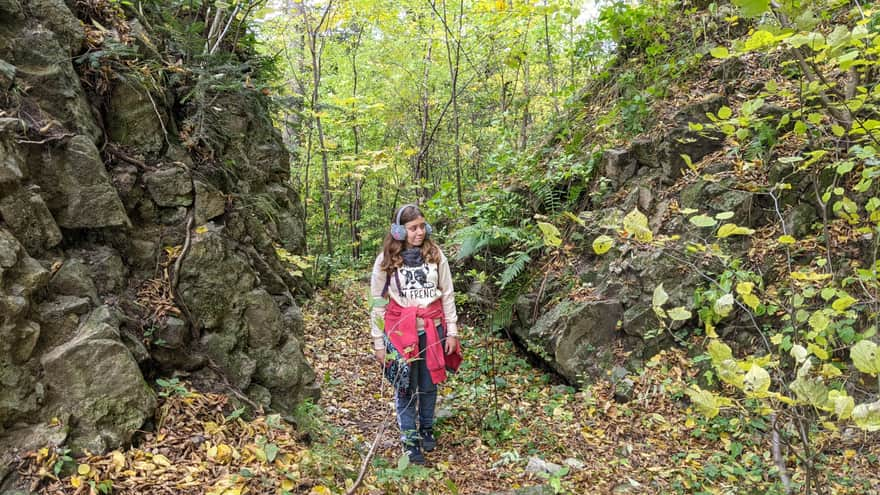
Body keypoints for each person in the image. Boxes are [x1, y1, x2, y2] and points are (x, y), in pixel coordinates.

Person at [370, 203, 461, 465]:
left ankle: (427, 428)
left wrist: (452, 331)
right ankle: (410, 439)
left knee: (430, 382)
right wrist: (378, 342)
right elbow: (377, 301)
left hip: (433, 328)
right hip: (401, 332)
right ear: (399, 231)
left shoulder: (435, 254)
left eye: (422, 226)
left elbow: (448, 293)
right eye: (412, 228)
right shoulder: (386, 259)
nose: (419, 232)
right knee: (405, 386)